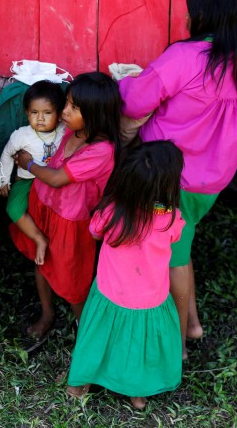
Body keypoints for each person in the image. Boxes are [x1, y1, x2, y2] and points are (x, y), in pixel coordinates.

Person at [117, 0, 237, 358]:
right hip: (212, 181)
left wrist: (124, 82)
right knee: (180, 242)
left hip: (167, 179)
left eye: (191, 10)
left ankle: (180, 342)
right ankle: (193, 323)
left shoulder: (184, 57)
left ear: (202, 13)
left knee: (172, 255)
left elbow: (136, 103)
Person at [66, 141, 186, 409]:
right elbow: (175, 236)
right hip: (150, 299)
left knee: (95, 339)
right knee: (139, 349)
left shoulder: (111, 213)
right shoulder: (169, 217)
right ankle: (137, 394)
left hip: (110, 293)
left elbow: (95, 232)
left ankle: (79, 383)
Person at [9, 72, 121, 337]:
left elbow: (58, 179)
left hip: (71, 222)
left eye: (72, 107)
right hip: (45, 206)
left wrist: (28, 164)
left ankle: (86, 335)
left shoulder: (101, 150)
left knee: (73, 282)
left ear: (95, 113)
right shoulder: (73, 129)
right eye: (66, 103)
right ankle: (47, 313)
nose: (64, 111)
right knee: (42, 260)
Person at [0, 81, 67, 261]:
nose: (40, 118)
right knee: (13, 208)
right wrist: (3, 180)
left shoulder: (64, 131)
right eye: (34, 113)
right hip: (26, 180)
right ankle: (38, 238)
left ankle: (58, 246)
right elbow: (7, 154)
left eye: (47, 113)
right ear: (27, 113)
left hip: (54, 181)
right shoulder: (22, 135)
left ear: (59, 115)